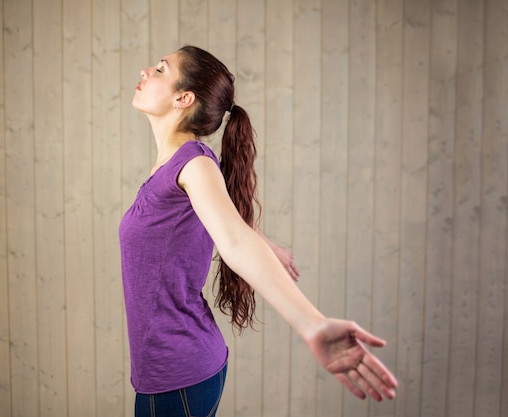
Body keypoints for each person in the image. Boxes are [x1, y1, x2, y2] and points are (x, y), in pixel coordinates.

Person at [119, 45, 398, 417]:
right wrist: (262, 241)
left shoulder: (193, 164)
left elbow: (233, 240)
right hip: (171, 369)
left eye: (159, 69)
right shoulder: (179, 165)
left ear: (183, 97)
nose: (145, 71)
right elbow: (213, 220)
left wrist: (312, 325)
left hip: (178, 373)